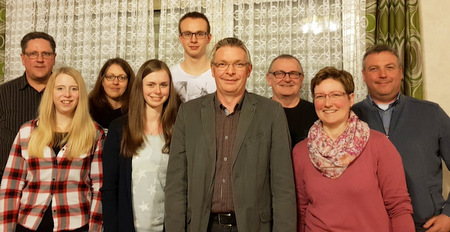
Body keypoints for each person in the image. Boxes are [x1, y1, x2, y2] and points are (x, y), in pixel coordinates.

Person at [165, 37, 296, 232]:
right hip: (203, 226)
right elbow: (176, 184)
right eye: (223, 64)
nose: (230, 71)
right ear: (213, 69)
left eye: (238, 64)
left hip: (253, 226)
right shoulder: (188, 113)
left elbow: (283, 186)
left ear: (249, 70)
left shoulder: (272, 113)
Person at [293, 66, 414, 231]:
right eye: (320, 96)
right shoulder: (300, 152)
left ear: (351, 99)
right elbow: (300, 211)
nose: (328, 103)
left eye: (336, 95)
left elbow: (399, 207)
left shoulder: (379, 145)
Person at [352, 44, 450, 232]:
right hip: (366, 225)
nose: (383, 74)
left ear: (400, 72)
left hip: (425, 225)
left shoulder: (431, 113)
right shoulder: (350, 117)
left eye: (389, 67)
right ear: (364, 76)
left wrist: (449, 214)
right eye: (374, 69)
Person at [0, 67, 104, 232]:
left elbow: (99, 187)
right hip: (29, 224)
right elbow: (11, 185)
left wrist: (95, 228)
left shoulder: (94, 134)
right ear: (51, 93)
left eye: (74, 89)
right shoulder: (27, 131)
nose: (67, 94)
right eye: (60, 88)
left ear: (81, 94)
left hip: (75, 225)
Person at [101, 59, 181, 232]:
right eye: (151, 84)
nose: (157, 91)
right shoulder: (119, 129)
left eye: (163, 84)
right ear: (140, 87)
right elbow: (109, 190)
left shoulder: (180, 130)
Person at [0, 32, 56, 177]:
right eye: (33, 54)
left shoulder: (68, 96)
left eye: (46, 54)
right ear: (23, 58)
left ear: (54, 58)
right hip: (8, 180)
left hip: (54, 185)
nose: (40, 60)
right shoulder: (3, 93)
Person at [266, 54, 318, 147]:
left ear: (301, 80)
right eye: (279, 73)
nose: (287, 79)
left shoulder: (317, 113)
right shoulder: (258, 114)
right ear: (269, 79)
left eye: (293, 74)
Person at [170, 11, 216, 102]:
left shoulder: (222, 74)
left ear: (209, 38)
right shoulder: (169, 76)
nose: (193, 40)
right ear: (181, 39)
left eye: (200, 34)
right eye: (187, 34)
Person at [89, 57, 135, 129]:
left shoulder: (136, 110)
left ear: (129, 82)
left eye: (122, 78)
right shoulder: (88, 107)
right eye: (110, 77)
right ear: (102, 81)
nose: (115, 82)